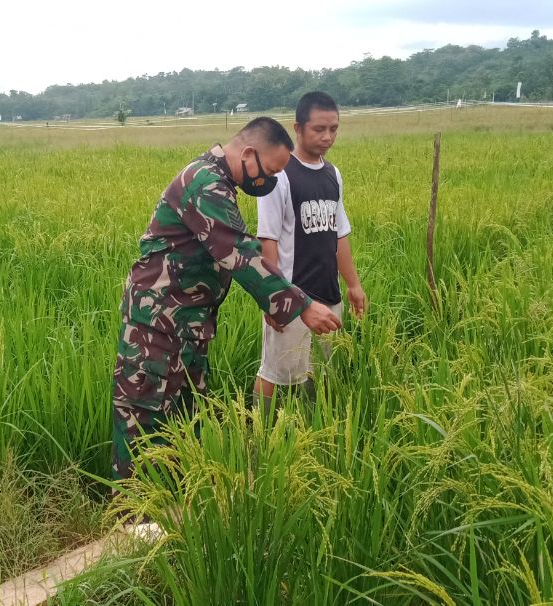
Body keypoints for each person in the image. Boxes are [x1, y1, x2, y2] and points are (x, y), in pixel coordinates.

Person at [112, 116, 342, 482]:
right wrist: (299, 305)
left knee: (185, 411)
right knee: (144, 411)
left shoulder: (220, 182)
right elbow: (241, 254)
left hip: (186, 323)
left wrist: (274, 302)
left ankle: (175, 496)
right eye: (269, 171)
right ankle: (134, 518)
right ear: (249, 154)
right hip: (156, 322)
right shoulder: (204, 183)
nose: (267, 182)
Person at [253, 92, 365, 405]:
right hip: (293, 298)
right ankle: (256, 437)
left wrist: (353, 285)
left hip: (330, 295)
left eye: (334, 128)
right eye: (319, 129)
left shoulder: (333, 174)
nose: (327, 137)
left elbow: (339, 234)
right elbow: (268, 242)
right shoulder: (280, 175)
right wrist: (274, 298)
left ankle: (312, 428)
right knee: (275, 373)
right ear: (298, 128)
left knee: (322, 373)